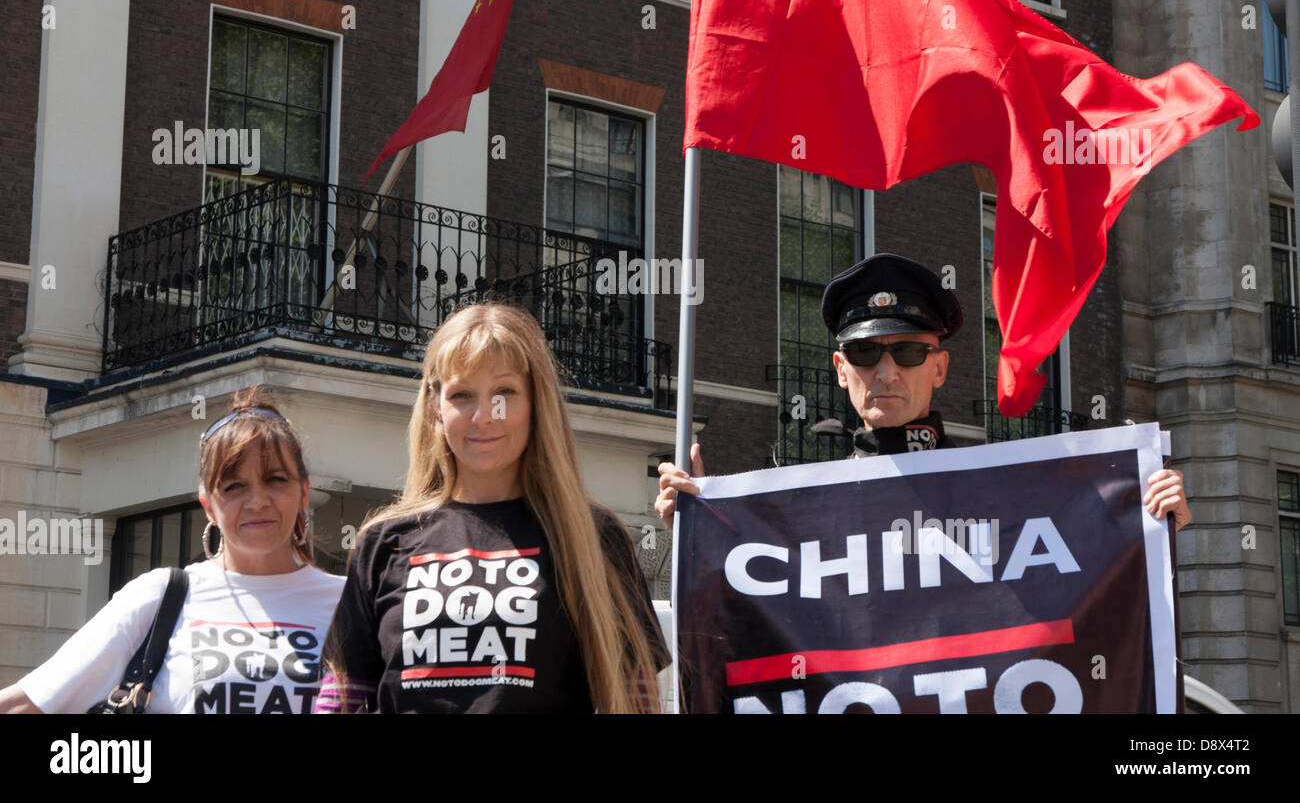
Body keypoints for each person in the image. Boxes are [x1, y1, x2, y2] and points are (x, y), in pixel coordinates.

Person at [657, 253, 1191, 530]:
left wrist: (1146, 517)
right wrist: (703, 526)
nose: (886, 371)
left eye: (908, 353)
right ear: (841, 370)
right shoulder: (797, 503)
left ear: (939, 369)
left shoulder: (999, 492)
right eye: (866, 354)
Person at [316, 302, 667, 714]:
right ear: (435, 408)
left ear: (537, 405)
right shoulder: (383, 543)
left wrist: (699, 530)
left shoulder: (594, 537)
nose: (483, 416)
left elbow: (637, 698)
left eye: (504, 392)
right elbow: (339, 699)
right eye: (462, 395)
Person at [0, 390, 345, 714]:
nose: (257, 501)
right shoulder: (162, 595)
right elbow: (27, 703)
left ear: (303, 493)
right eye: (235, 486)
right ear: (208, 505)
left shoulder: (352, 602)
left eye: (276, 479)